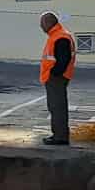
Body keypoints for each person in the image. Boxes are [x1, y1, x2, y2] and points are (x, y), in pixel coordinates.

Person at [38, 10, 75, 145]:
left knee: (57, 107)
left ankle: (60, 137)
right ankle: (59, 134)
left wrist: (54, 73)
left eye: (42, 23)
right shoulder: (58, 35)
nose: (41, 26)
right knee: (56, 107)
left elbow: (63, 59)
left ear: (48, 23)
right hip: (56, 77)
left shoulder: (60, 37)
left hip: (56, 78)